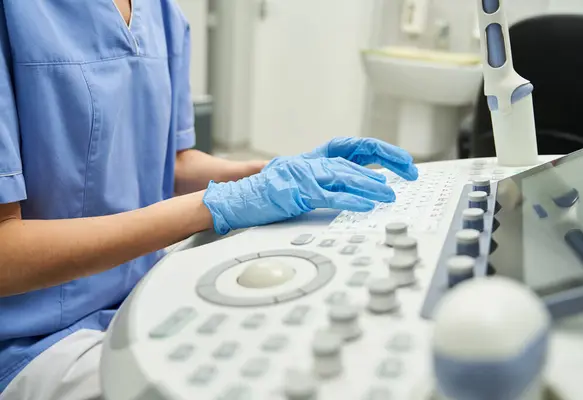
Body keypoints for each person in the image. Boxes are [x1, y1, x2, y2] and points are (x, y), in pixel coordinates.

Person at [0, 1, 418, 399]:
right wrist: (212, 206)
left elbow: (174, 163)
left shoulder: (163, 11)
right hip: (36, 338)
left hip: (141, 290)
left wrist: (269, 172)